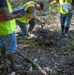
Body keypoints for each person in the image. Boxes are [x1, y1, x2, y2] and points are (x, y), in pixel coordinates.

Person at [0, 0, 22, 71]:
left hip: (1, 30)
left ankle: (4, 59)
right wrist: (17, 15)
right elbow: (7, 17)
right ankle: (12, 66)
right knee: (11, 48)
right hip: (6, 29)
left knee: (2, 45)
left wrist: (11, 12)